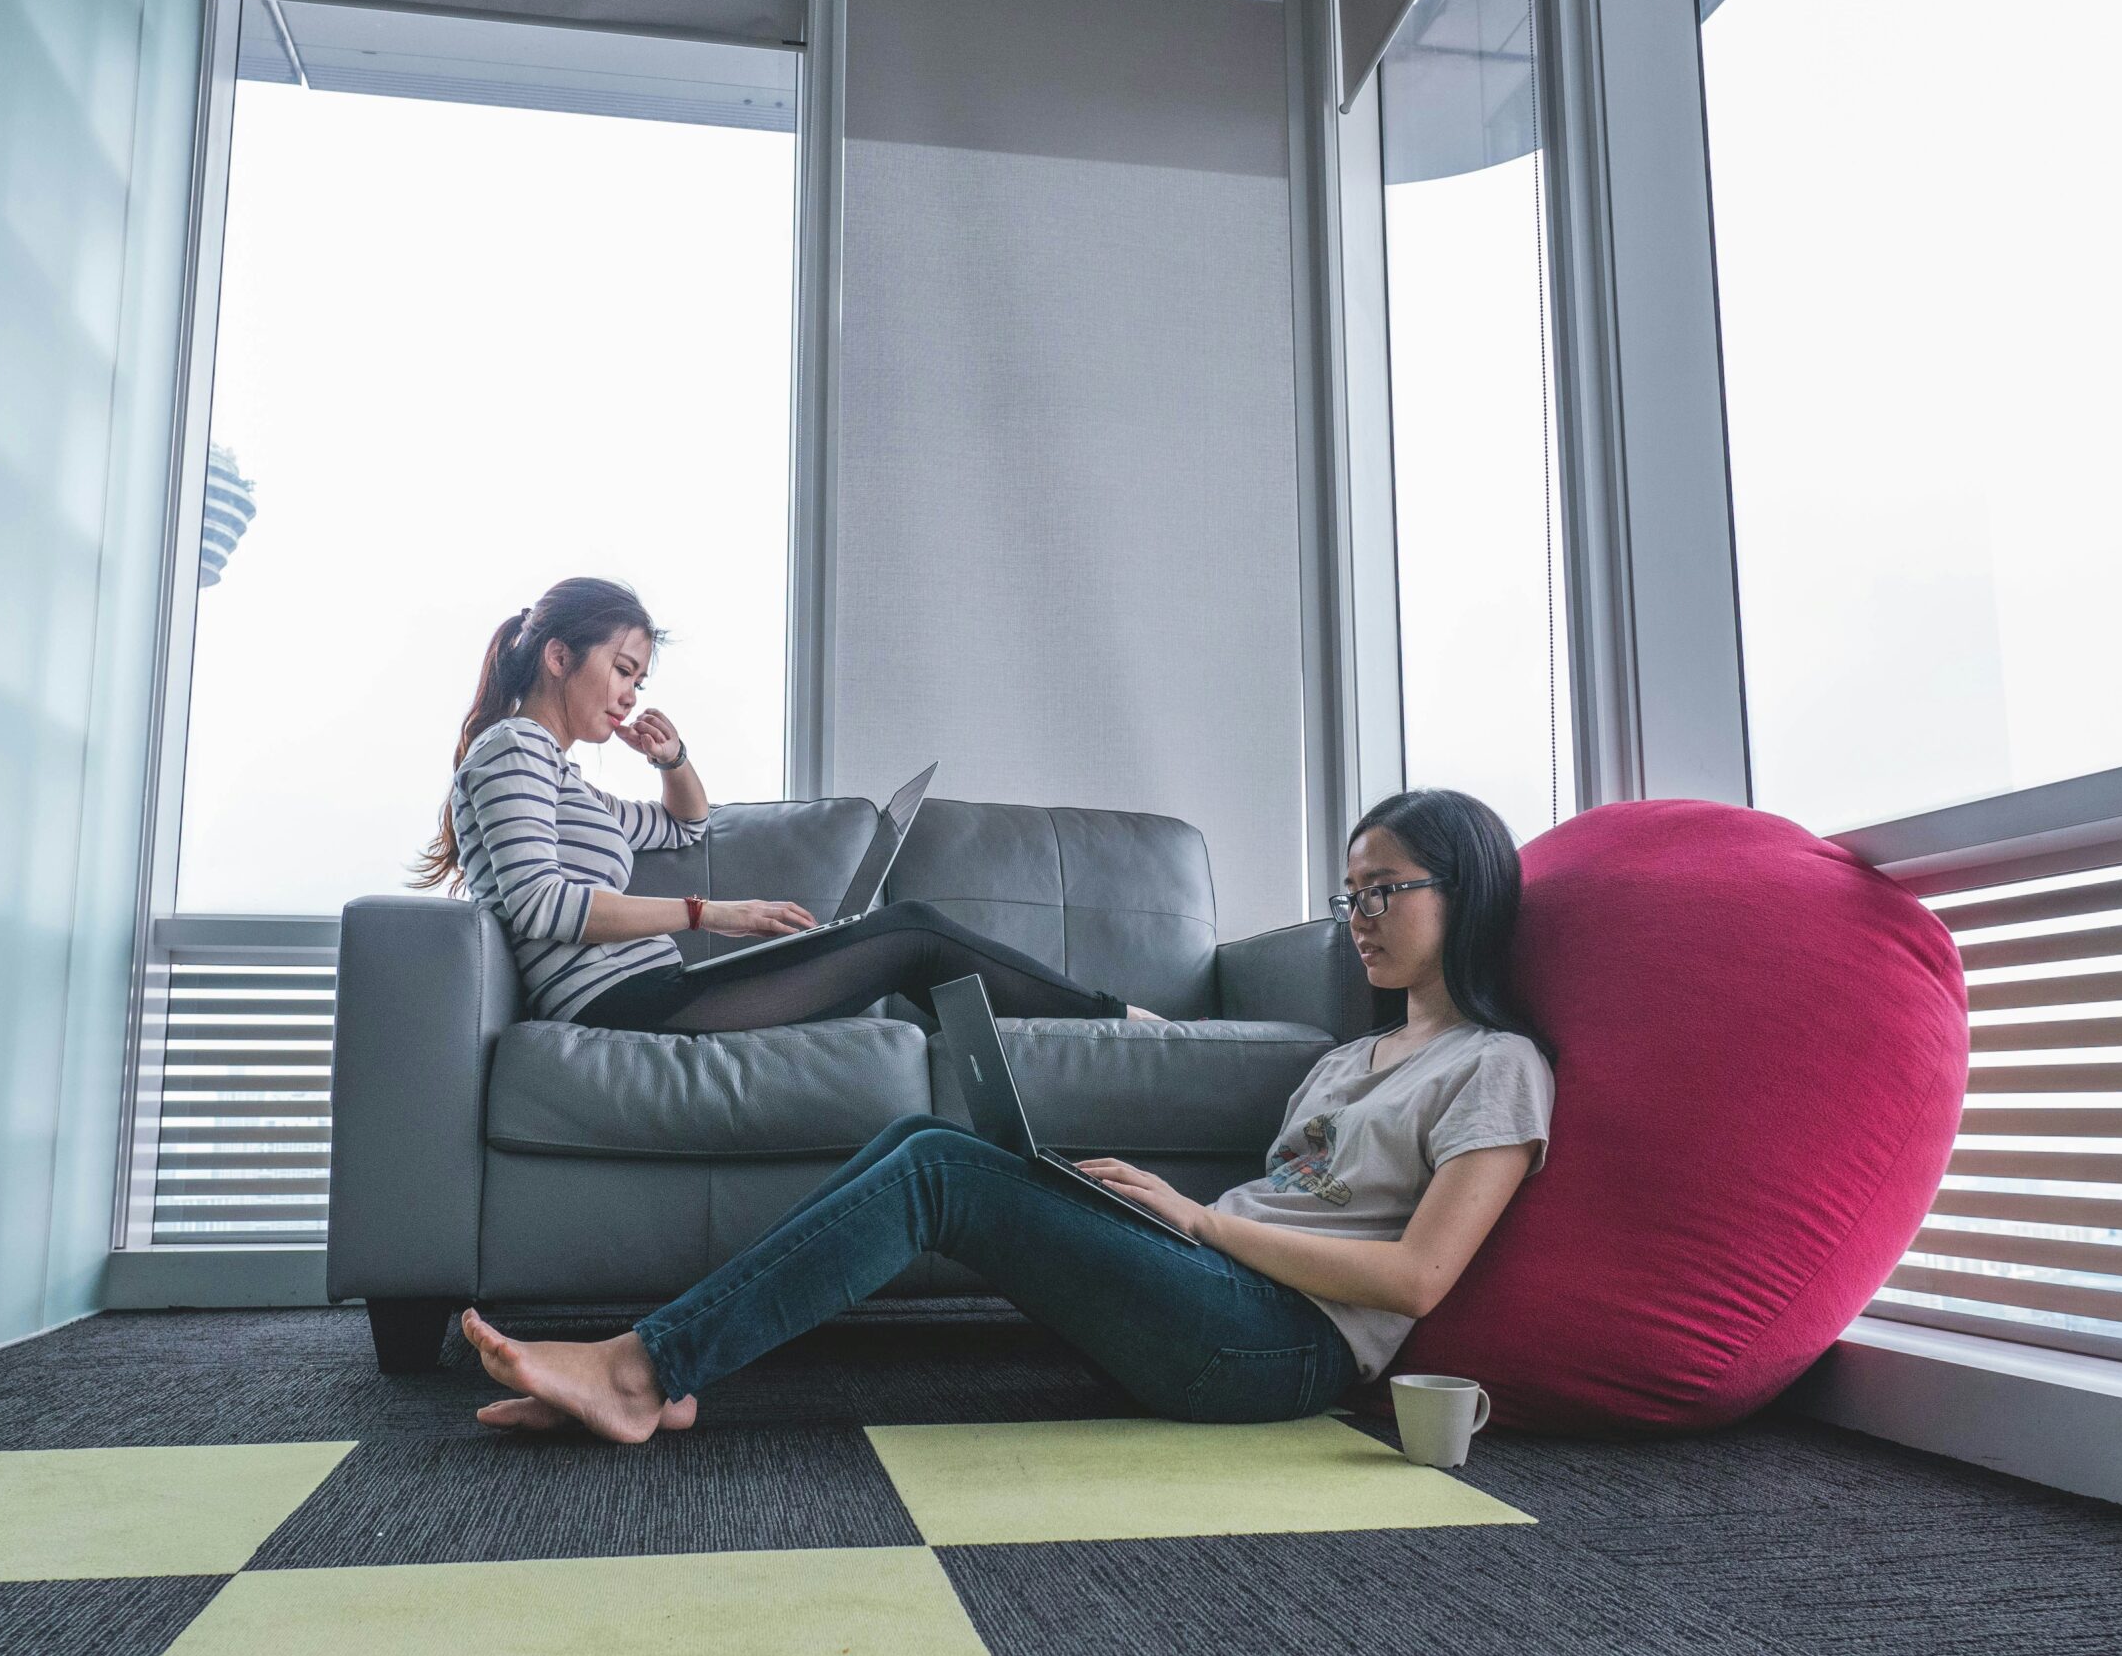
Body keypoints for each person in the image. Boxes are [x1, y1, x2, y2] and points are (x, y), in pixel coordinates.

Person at [457, 786, 1557, 1440]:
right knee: (923, 1143)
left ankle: (641, 1374)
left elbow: (1417, 1280)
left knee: (938, 1168)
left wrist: (1200, 1222)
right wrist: (1138, 1210)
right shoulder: (1352, 1055)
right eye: (1349, 894)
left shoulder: (1496, 1067)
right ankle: (664, 1365)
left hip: (1284, 1350)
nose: (1359, 915)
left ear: (1465, 892)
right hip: (1224, 1292)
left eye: (1386, 889)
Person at [413, 576, 1156, 1033]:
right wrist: (712, 913)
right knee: (913, 936)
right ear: (558, 656)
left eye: (639, 680)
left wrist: (673, 760)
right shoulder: (512, 748)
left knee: (911, 942)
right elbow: (542, 905)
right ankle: (1116, 1023)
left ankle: (1079, 1040)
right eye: (622, 669)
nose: (630, 694)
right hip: (627, 1001)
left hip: (647, 991)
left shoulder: (564, 778)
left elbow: (686, 823)